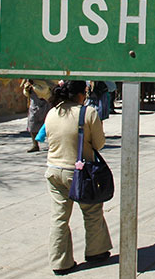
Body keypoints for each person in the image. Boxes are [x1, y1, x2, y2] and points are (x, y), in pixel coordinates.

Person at [44, 80, 112, 275]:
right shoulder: (87, 113)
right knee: (92, 211)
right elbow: (99, 144)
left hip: (54, 170)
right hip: (80, 172)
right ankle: (96, 251)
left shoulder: (52, 112)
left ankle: (60, 262)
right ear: (82, 93)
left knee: (59, 217)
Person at [22, 79, 53, 152]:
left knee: (49, 126)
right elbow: (26, 94)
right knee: (32, 125)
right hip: (34, 106)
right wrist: (27, 88)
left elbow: (44, 92)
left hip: (45, 105)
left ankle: (52, 145)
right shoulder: (29, 84)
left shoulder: (44, 83)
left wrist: (33, 86)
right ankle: (35, 145)